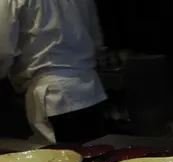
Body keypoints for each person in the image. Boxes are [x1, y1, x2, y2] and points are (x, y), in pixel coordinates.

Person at [0, 0, 107, 144]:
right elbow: (96, 40)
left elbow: (3, 52)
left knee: (63, 156)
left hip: (54, 96)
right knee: (96, 152)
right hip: (91, 91)